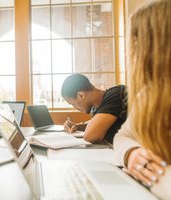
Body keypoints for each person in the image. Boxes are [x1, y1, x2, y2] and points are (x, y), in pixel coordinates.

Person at [114, 0, 171, 199]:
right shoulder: (149, 94)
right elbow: (123, 135)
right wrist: (132, 154)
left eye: (136, 43)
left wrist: (153, 176)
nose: (130, 53)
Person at [61, 74, 127, 144]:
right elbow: (98, 123)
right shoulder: (99, 108)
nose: (75, 108)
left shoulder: (116, 94)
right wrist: (77, 126)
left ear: (81, 95)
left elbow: (90, 137)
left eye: (73, 104)